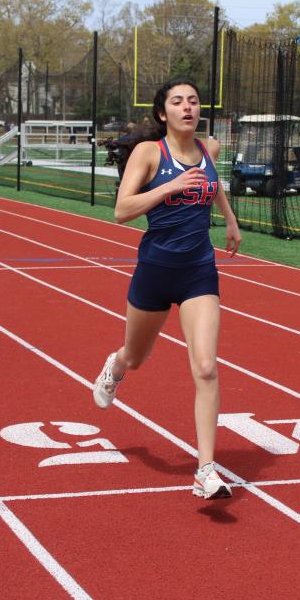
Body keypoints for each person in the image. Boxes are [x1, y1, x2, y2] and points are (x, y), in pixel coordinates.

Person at [91, 78, 242, 500]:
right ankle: (116, 366)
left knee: (206, 367)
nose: (187, 107)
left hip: (198, 272)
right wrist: (169, 187)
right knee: (137, 356)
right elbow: (122, 210)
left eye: (193, 101)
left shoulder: (209, 149)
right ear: (163, 113)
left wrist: (230, 218)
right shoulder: (148, 153)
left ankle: (205, 470)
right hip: (155, 272)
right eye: (178, 101)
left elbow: (213, 183)